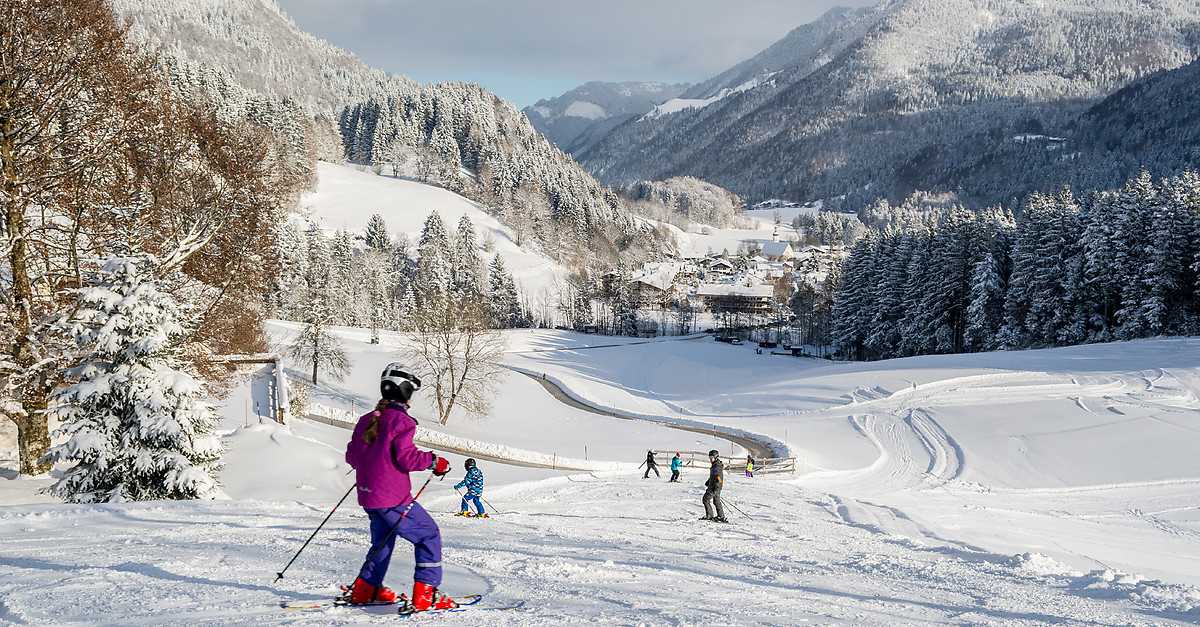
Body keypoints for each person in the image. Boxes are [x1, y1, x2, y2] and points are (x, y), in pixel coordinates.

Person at [344, 362, 459, 612]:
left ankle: (366, 589)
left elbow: (353, 457)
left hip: (368, 497)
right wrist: (434, 461)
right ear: (405, 390)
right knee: (428, 535)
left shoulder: (367, 419)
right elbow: (407, 458)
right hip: (392, 497)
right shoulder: (402, 421)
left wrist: (374, 458)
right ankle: (426, 594)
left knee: (383, 541)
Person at [701, 449, 728, 523]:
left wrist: (717, 487)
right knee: (716, 501)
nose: (710, 459)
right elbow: (714, 476)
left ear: (715, 457)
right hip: (714, 486)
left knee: (705, 499)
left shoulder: (717, 466)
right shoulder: (715, 465)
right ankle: (721, 516)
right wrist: (708, 481)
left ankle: (709, 515)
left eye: (711, 458)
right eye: (709, 458)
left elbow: (718, 478)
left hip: (714, 487)